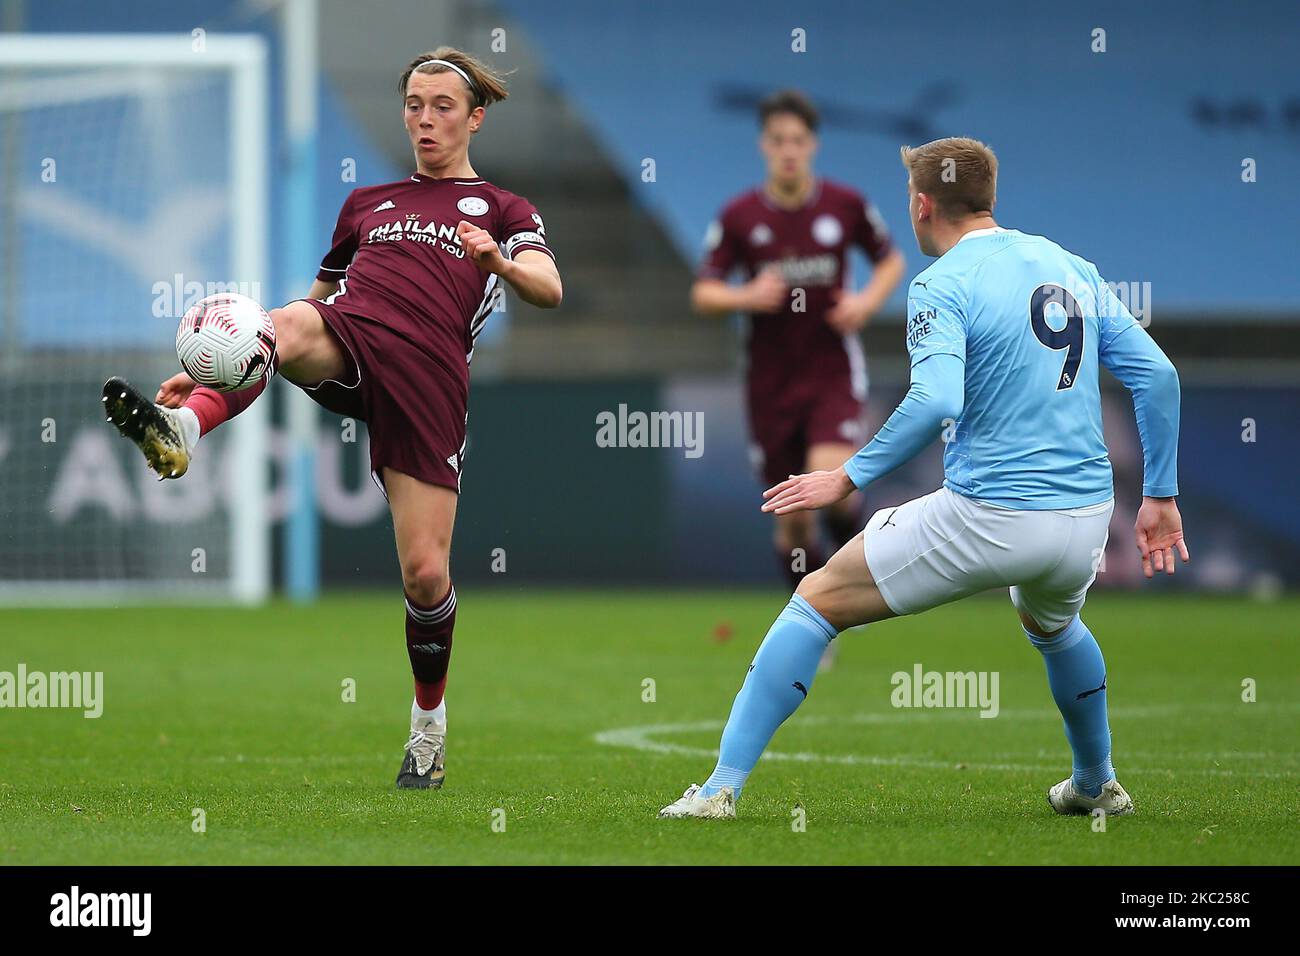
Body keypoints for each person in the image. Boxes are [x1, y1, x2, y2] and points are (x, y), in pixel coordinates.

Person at [661, 136, 1187, 820]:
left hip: (991, 516)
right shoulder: (1068, 264)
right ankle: (1096, 782)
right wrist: (1161, 494)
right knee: (1054, 625)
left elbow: (937, 401)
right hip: (1086, 521)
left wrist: (846, 477)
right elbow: (1158, 374)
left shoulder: (941, 283)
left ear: (921, 203)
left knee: (815, 601)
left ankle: (718, 790)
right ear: (991, 199)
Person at [102, 47, 562, 790]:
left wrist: (501, 264)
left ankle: (427, 728)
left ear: (475, 116)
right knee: (280, 326)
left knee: (424, 575)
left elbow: (550, 287)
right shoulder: (368, 204)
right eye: (414, 103)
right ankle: (182, 431)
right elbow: (295, 312)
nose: (425, 118)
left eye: (442, 105)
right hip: (349, 332)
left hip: (429, 376)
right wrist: (218, 361)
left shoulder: (502, 209)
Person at [691, 90, 904, 669]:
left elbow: (890, 260)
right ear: (765, 145)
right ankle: (809, 619)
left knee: (833, 484)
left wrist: (865, 303)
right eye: (778, 141)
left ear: (812, 146)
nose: (788, 151)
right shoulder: (740, 217)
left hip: (830, 371)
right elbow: (704, 291)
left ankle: (841, 598)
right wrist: (745, 295)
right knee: (792, 527)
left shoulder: (845, 206)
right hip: (770, 384)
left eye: (798, 141)